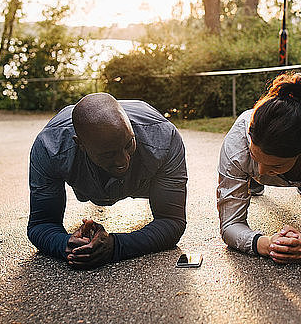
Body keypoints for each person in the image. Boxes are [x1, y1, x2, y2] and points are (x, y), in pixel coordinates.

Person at [28, 93, 187, 269]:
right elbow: (41, 223)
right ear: (80, 144)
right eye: (108, 154)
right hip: (85, 177)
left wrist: (116, 246)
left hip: (145, 180)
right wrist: (67, 245)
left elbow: (172, 221)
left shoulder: (164, 137)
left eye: (128, 144)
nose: (123, 162)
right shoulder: (49, 147)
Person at [217, 73, 301, 263]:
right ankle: (254, 184)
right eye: (255, 157)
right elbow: (231, 224)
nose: (262, 171)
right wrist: (265, 244)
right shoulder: (237, 145)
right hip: (253, 167)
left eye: (275, 165)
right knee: (254, 174)